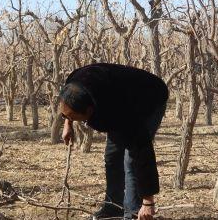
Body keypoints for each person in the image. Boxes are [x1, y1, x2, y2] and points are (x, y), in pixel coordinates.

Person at [59, 63, 168, 220]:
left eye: (73, 117)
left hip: (149, 98)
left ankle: (133, 212)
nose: (71, 119)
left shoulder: (121, 110)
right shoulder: (73, 84)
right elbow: (67, 103)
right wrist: (67, 123)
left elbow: (142, 150)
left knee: (130, 160)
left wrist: (148, 201)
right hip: (115, 95)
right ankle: (113, 207)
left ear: (89, 111)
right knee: (112, 156)